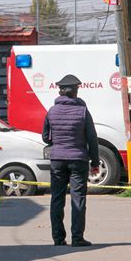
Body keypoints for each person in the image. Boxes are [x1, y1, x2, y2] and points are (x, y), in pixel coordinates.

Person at [42, 74, 99, 247]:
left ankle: (58, 239)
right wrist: (95, 162)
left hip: (57, 159)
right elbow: (92, 138)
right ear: (75, 91)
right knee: (78, 198)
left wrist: (57, 143)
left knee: (57, 199)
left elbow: (45, 137)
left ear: (60, 91)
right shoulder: (83, 111)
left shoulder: (51, 111)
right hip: (78, 160)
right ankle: (77, 238)